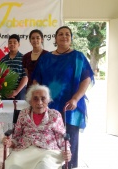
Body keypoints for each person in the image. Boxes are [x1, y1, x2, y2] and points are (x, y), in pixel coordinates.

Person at [32, 26, 94, 168]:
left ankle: (69, 166)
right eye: (61, 34)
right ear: (55, 38)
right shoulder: (46, 58)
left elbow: (87, 79)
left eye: (67, 34)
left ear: (71, 37)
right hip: (48, 107)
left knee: (69, 141)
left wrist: (76, 98)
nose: (64, 36)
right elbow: (36, 80)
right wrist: (40, 100)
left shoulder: (78, 57)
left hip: (70, 106)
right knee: (49, 140)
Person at [2, 84, 71, 169]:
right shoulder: (23, 113)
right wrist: (10, 143)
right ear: (30, 101)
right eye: (35, 99)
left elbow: (62, 137)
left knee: (44, 166)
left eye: (43, 98)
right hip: (25, 149)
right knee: (13, 165)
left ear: (48, 100)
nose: (39, 102)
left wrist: (67, 151)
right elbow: (17, 136)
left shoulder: (55, 115)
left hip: (48, 151)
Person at [0, 34, 28, 100]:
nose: (12, 44)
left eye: (15, 42)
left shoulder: (24, 58)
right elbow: (0, 77)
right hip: (6, 91)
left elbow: (25, 77)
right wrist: (5, 90)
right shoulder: (3, 59)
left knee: (19, 109)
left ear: (19, 44)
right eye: (10, 42)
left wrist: (16, 91)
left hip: (20, 91)